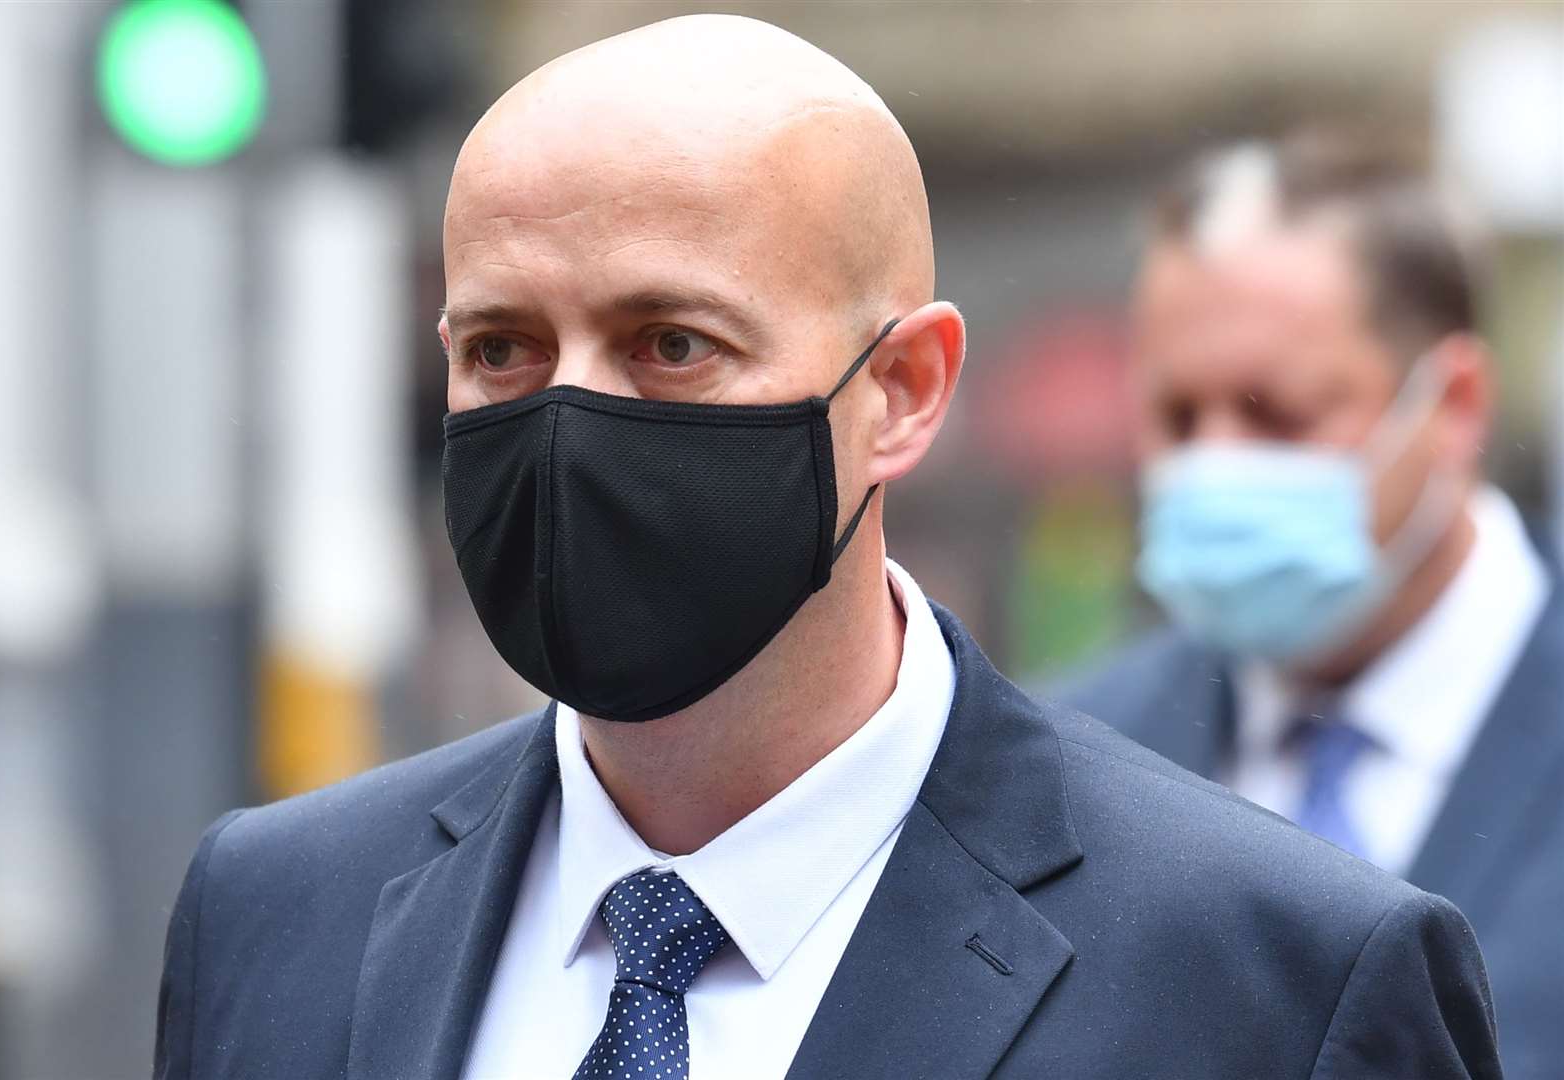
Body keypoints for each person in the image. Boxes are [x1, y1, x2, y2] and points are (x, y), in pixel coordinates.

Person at [154, 20, 1502, 1080]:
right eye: (499, 349)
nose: (567, 422)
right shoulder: (275, 917)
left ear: (902, 390)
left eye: (670, 344)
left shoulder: (1275, 982)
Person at [1057, 132, 1560, 1077]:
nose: (1213, 464)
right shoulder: (1066, 760)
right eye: (1175, 417)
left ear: (1453, 404)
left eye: (1276, 414)